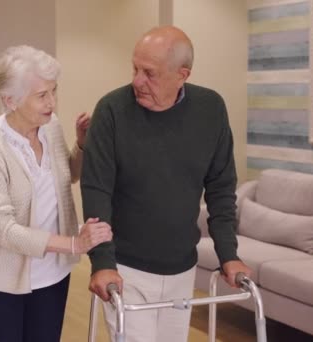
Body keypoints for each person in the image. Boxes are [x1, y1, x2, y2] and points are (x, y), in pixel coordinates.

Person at [81, 26, 252, 342]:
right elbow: (96, 190)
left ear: (182, 75)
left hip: (182, 267)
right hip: (126, 268)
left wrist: (228, 253)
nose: (137, 81)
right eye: (135, 69)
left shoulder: (211, 109)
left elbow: (221, 187)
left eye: (149, 73)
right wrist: (102, 262)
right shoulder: (112, 110)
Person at [0, 45, 113, 342]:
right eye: (42, 95)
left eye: (54, 91)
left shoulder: (49, 126)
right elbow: (1, 229)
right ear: (10, 100)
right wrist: (72, 243)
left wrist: (81, 146)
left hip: (51, 271)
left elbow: (66, 175)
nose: (52, 102)